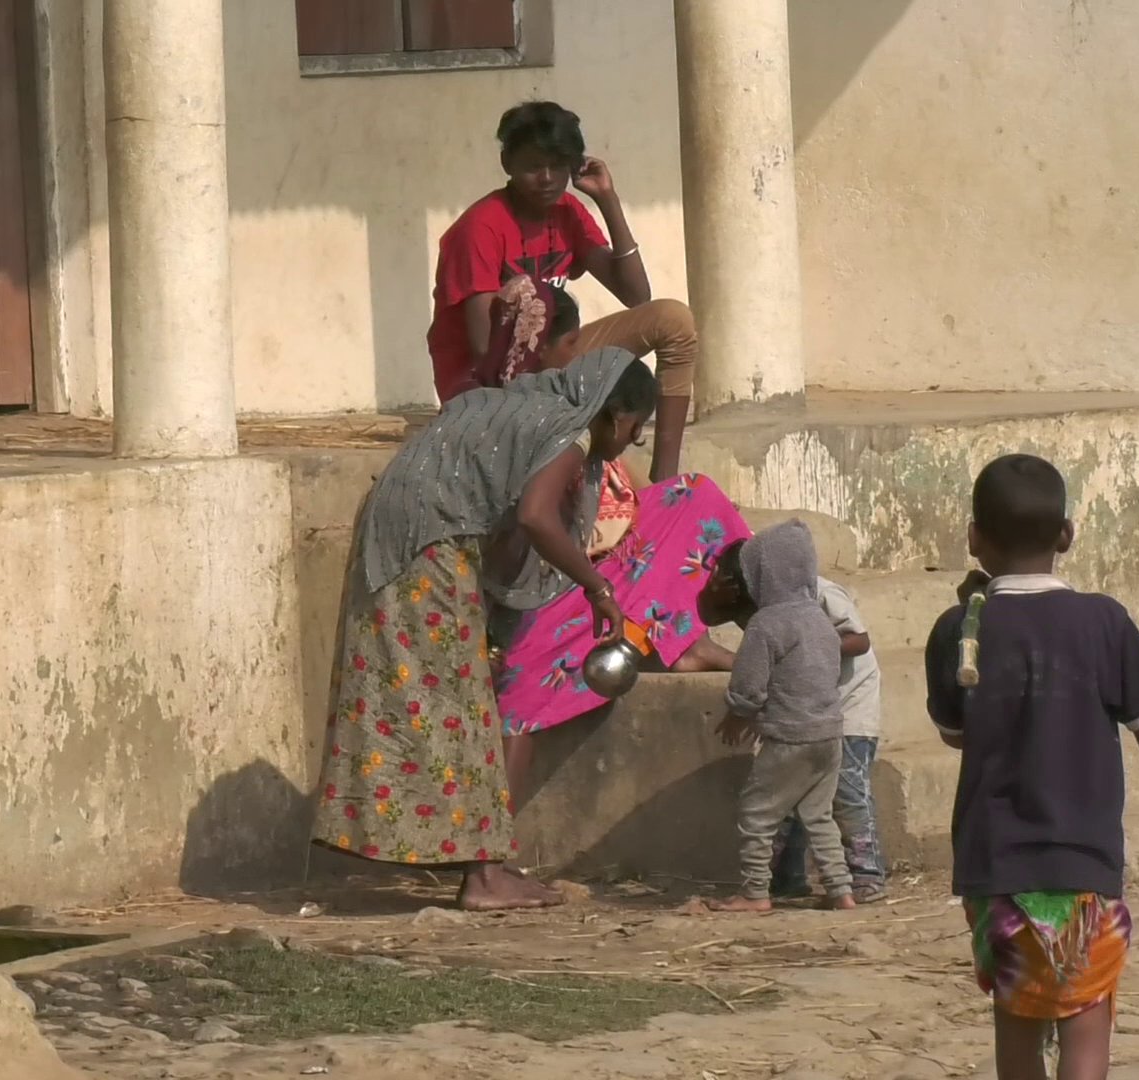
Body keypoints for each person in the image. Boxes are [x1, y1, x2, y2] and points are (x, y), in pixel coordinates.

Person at [312, 349, 659, 911]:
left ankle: (477, 862)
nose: (627, 444)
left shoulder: (523, 409)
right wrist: (598, 588)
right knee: (465, 706)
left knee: (427, 699)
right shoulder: (568, 433)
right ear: (617, 416)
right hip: (428, 547)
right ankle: (486, 877)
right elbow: (535, 517)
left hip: (398, 534)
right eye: (635, 432)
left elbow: (498, 509)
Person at [922, 454, 1139, 1080]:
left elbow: (956, 733)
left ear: (973, 537)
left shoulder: (959, 629)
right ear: (1066, 534)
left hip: (996, 865)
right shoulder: (1104, 621)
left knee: (1016, 1017)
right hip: (1085, 862)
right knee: (1086, 1014)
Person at [428, 100, 698, 483]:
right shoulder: (480, 228)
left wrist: (608, 200)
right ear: (507, 163)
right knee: (613, 463)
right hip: (487, 387)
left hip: (554, 365)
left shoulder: (567, 211)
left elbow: (637, 295)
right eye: (533, 166)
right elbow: (486, 350)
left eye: (558, 166)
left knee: (674, 320)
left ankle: (666, 480)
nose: (547, 178)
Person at [699, 539, 889, 904]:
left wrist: (801, 646)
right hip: (802, 712)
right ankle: (793, 879)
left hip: (846, 706)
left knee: (845, 796)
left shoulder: (817, 595)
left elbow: (859, 641)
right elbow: (710, 616)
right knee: (805, 806)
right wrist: (713, 592)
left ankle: (866, 874)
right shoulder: (768, 609)